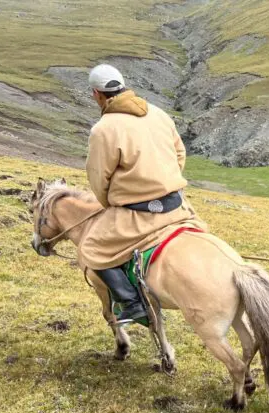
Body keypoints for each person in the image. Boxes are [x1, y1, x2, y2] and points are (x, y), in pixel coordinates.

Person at [79, 64, 206, 325]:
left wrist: (110, 203)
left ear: (96, 94)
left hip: (137, 214)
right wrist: (165, 182)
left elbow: (98, 177)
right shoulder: (159, 114)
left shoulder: (103, 129)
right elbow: (179, 153)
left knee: (91, 249)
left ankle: (132, 303)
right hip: (176, 206)